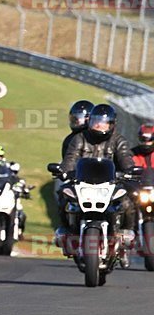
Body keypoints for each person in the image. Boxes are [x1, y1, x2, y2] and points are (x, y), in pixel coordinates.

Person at [58, 104, 136, 246]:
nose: (99, 126)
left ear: (112, 124)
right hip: (83, 182)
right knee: (64, 195)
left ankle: (126, 231)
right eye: (96, 122)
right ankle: (66, 229)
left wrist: (130, 171)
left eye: (104, 123)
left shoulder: (119, 140)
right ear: (90, 121)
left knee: (126, 202)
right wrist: (64, 171)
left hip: (110, 184)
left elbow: (125, 158)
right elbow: (70, 158)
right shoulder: (79, 138)